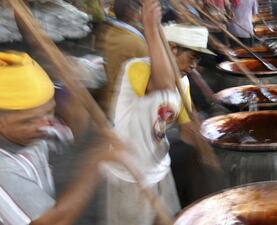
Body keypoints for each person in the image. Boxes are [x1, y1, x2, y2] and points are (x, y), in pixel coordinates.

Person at [104, 0, 216, 224]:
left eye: (198, 59)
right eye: (192, 57)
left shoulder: (182, 83)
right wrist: (152, 29)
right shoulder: (137, 68)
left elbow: (186, 131)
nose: (194, 66)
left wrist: (207, 142)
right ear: (171, 49)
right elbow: (162, 83)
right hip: (130, 175)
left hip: (160, 169)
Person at [0, 51, 119, 225]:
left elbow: (68, 131)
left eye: (49, 111)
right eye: (29, 120)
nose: (45, 124)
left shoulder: (34, 128)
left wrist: (75, 92)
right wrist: (94, 165)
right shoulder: (4, 171)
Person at [95, 0, 148, 116]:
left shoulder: (107, 30)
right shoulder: (136, 43)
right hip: (123, 108)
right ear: (131, 12)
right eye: (139, 10)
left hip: (106, 102)